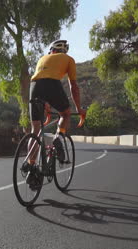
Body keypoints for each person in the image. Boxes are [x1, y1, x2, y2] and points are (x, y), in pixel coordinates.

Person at [24, 39, 86, 188]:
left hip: (34, 86)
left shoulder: (42, 59)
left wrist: (45, 105)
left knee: (35, 130)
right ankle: (58, 137)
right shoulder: (69, 59)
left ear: (51, 50)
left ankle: (31, 167)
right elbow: (74, 87)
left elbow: (41, 81)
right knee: (65, 114)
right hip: (52, 84)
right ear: (64, 51)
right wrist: (79, 109)